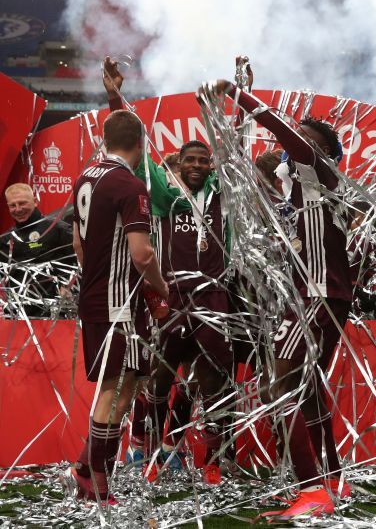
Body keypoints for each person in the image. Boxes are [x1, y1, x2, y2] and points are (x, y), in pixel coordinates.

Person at [205, 78, 352, 518]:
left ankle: (311, 489)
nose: (295, 145)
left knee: (279, 384)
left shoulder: (319, 170)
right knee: (306, 392)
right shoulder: (300, 191)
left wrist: (238, 95)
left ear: (320, 152)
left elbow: (283, 135)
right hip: (314, 294)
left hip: (318, 296)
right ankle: (331, 479)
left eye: (306, 141)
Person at [103, 58, 233, 484]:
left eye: (203, 160)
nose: (196, 165)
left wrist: (230, 97)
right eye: (188, 160)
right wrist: (115, 98)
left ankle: (213, 460)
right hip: (173, 296)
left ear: (210, 166)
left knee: (214, 379)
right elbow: (134, 153)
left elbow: (234, 152)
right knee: (158, 377)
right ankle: (149, 449)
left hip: (214, 296)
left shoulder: (223, 198)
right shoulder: (163, 195)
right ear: (178, 165)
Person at [62, 108, 169, 503]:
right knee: (114, 389)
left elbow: (77, 244)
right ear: (141, 144)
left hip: (100, 298)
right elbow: (142, 255)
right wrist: (162, 287)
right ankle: (95, 481)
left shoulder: (85, 177)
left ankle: (86, 464)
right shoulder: (128, 184)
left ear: (105, 140)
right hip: (118, 304)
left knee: (131, 384)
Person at [0, 183, 75, 317]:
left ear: (35, 201)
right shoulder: (5, 240)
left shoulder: (58, 229)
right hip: (20, 315)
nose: (18, 209)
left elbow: (81, 262)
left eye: (22, 203)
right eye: (12, 205)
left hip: (58, 312)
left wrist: (68, 286)